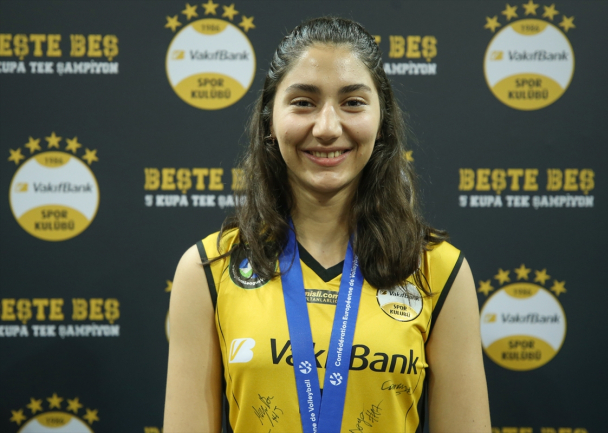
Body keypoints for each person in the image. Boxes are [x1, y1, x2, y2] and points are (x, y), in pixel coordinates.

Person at [163, 16, 490, 433]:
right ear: (269, 120)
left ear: (382, 122)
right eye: (304, 102)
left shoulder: (437, 269)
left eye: (353, 102)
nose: (327, 128)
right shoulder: (209, 269)